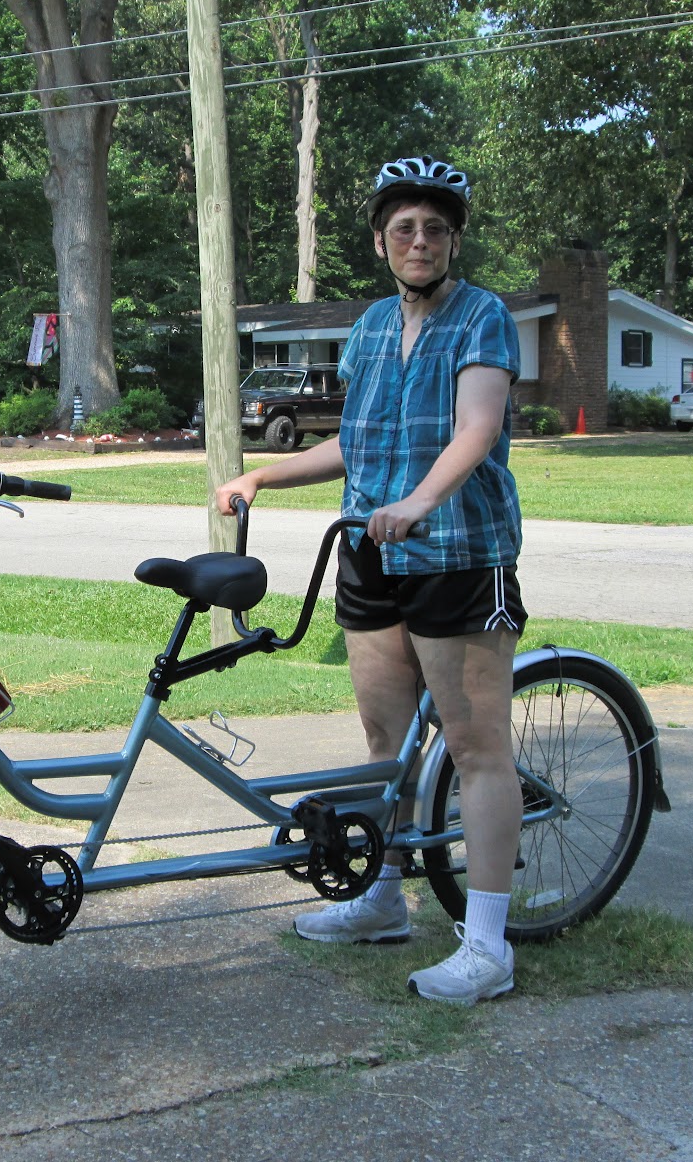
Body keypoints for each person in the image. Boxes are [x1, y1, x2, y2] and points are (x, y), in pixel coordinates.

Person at [215, 156, 525, 1006]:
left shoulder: (483, 319)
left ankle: (490, 946)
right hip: (371, 555)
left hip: (458, 557)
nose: (418, 240)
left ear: (452, 239)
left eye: (433, 228)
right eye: (403, 228)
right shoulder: (371, 330)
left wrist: (421, 499)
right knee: (386, 746)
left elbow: (477, 427)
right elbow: (357, 444)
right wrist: (261, 478)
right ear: (383, 241)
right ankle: (382, 900)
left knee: (475, 748)